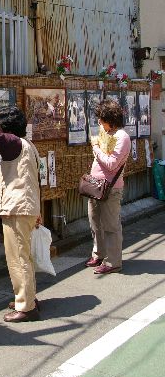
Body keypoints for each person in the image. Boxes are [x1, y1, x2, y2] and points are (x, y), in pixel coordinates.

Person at [0, 106, 42, 323]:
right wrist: (38, 211)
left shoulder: (13, 144)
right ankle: (28, 298)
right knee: (25, 256)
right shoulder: (28, 146)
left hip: (17, 208)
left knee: (18, 258)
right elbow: (36, 180)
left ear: (6, 128)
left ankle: (26, 307)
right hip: (27, 207)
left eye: (0, 125)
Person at [84, 99, 131, 274]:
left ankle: (113, 262)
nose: (99, 123)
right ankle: (99, 254)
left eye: (101, 119)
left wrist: (95, 147)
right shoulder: (108, 134)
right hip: (96, 186)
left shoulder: (121, 137)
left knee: (111, 225)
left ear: (109, 119)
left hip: (111, 188)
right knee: (94, 221)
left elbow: (111, 164)